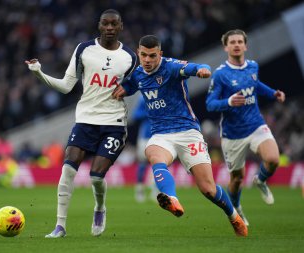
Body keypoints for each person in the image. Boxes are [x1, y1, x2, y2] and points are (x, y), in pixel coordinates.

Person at [112, 35, 248, 236]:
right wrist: (118, 91)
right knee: (153, 153)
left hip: (188, 132)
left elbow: (193, 67)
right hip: (161, 135)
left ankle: (233, 216)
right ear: (138, 54)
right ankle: (171, 199)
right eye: (143, 55)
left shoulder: (172, 67)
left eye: (152, 55)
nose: (147, 60)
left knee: (208, 189)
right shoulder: (139, 73)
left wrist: (202, 70)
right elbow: (129, 86)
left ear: (160, 54)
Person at [25, 9, 137, 238]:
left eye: (113, 24)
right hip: (85, 120)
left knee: (96, 176)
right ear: (99, 25)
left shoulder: (130, 58)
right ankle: (60, 226)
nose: (109, 28)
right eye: (105, 23)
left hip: (114, 123)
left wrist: (130, 88)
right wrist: (39, 74)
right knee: (68, 168)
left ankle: (99, 208)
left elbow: (136, 84)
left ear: (120, 26)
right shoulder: (84, 49)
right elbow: (67, 85)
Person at [206, 29, 285, 226]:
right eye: (232, 42)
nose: (236, 45)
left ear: (245, 45)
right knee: (237, 179)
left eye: (240, 41)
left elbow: (256, 85)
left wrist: (273, 93)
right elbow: (210, 104)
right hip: (233, 135)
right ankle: (236, 209)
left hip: (256, 124)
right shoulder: (221, 74)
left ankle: (260, 180)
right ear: (226, 47)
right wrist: (229, 102)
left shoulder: (253, 66)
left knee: (273, 159)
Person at [132, 95, 158, 202]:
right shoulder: (143, 97)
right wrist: (149, 112)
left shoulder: (162, 94)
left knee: (158, 164)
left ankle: (156, 191)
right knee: (143, 163)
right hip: (145, 136)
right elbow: (135, 115)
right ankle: (139, 189)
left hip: (159, 136)